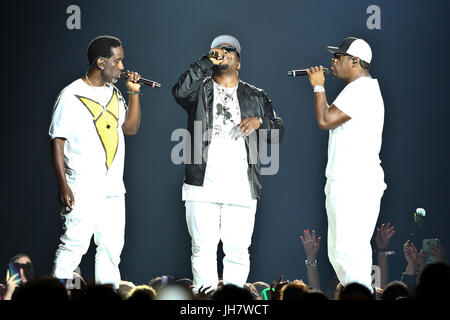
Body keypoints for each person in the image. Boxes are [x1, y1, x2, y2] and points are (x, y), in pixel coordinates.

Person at [172, 35, 284, 293]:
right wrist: (203, 61)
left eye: (229, 50)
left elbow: (278, 132)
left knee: (237, 251)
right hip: (202, 185)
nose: (223, 53)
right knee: (202, 249)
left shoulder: (256, 95)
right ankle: (205, 300)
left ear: (239, 62)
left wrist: (260, 122)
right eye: (217, 50)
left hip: (241, 187)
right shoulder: (198, 91)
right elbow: (179, 91)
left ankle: (233, 302)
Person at [49, 35, 143, 290]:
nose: (122, 67)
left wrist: (134, 94)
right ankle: (57, 295)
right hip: (82, 186)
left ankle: (107, 295)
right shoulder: (71, 95)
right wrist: (63, 184)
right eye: (118, 61)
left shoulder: (114, 94)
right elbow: (57, 141)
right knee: (74, 245)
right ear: (101, 62)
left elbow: (131, 129)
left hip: (113, 188)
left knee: (112, 250)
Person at [306, 37, 386, 293]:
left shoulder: (361, 89)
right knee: (344, 255)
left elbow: (325, 119)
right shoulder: (362, 89)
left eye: (338, 56)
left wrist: (318, 87)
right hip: (354, 180)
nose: (332, 61)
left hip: (354, 182)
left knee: (348, 255)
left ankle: (360, 296)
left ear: (355, 61)